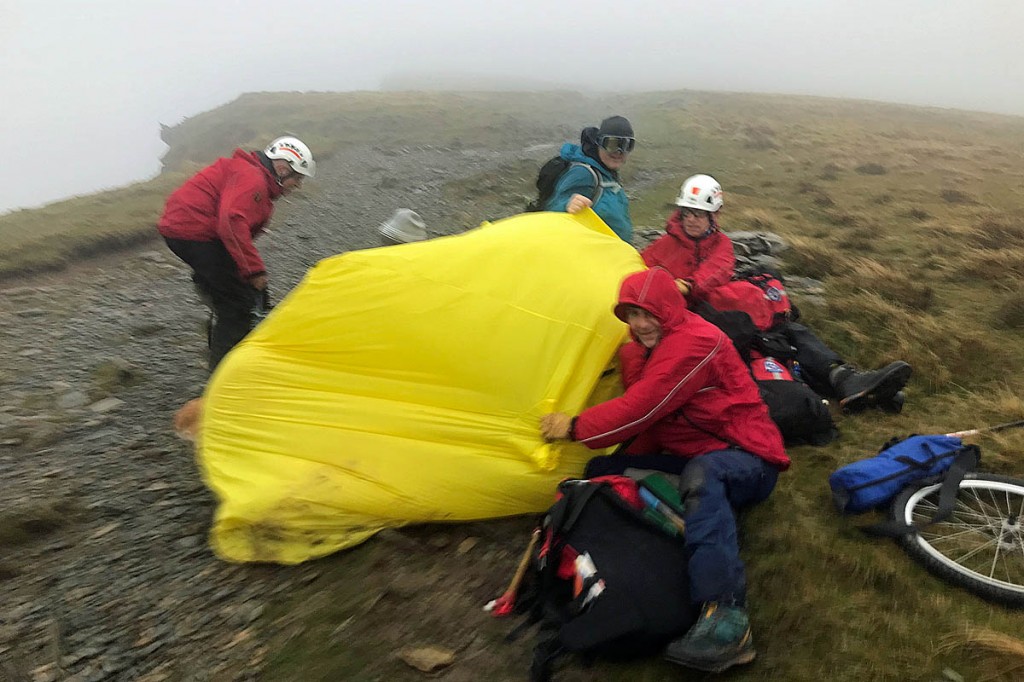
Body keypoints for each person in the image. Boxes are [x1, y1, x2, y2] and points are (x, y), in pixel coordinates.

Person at [540, 267, 789, 674]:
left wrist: (573, 427)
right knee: (604, 469)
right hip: (694, 455)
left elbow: (642, 408)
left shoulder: (696, 342)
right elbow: (654, 425)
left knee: (704, 475)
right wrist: (616, 461)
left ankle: (727, 618)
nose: (639, 325)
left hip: (748, 458)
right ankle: (680, 533)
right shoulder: (641, 349)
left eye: (647, 314)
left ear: (668, 309)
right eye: (630, 316)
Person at [642, 173, 912, 413]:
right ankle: (844, 386)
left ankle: (843, 379)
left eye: (698, 214)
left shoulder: (721, 244)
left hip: (725, 318)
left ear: (715, 214)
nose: (691, 220)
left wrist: (688, 285)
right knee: (776, 338)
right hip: (695, 323)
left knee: (788, 334)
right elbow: (637, 272)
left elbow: (718, 270)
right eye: (686, 212)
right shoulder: (663, 247)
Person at [157, 135, 315, 370]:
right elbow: (231, 222)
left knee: (239, 291)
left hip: (191, 231)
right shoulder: (253, 179)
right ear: (282, 169)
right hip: (195, 233)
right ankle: (222, 377)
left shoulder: (252, 173)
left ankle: (236, 344)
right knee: (235, 307)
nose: (298, 185)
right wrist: (255, 270)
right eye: (297, 178)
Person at [545, 115, 635, 243]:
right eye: (612, 144)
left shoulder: (606, 172)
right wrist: (567, 205)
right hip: (590, 256)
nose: (619, 152)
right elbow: (552, 211)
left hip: (611, 254)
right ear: (599, 143)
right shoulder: (584, 173)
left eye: (627, 145)